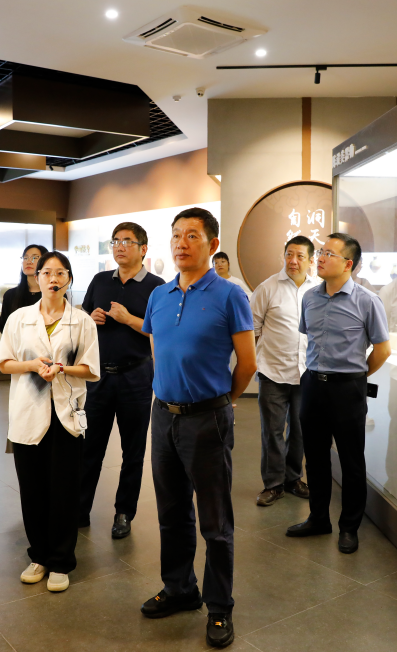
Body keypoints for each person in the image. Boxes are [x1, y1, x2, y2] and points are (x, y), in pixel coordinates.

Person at [139, 207, 256, 649]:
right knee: (171, 512)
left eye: (192, 235)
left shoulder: (229, 295)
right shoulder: (159, 295)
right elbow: (158, 350)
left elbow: (247, 363)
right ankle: (179, 589)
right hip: (162, 415)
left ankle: (219, 606)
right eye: (176, 235)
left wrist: (222, 401)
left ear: (212, 243)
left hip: (208, 418)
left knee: (215, 520)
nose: (181, 243)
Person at [0, 251, 100, 593]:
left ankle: (61, 560)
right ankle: (38, 555)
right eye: (47, 273)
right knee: (33, 489)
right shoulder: (19, 318)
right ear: (36, 277)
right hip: (28, 412)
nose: (53, 279)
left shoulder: (81, 321)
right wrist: (32, 365)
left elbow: (91, 370)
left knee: (65, 491)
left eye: (60, 273)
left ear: (69, 279)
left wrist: (61, 369)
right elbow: (4, 363)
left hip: (66, 414)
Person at [287, 233, 391, 556]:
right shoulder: (310, 298)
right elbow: (309, 338)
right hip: (313, 384)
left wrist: (356, 377)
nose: (320, 258)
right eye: (320, 251)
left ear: (348, 264)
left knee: (350, 460)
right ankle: (318, 518)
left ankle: (349, 527)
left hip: (348, 388)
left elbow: (382, 350)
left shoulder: (367, 301)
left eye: (328, 254)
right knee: (315, 456)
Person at [79, 222, 165, 538]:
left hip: (136, 376)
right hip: (99, 376)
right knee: (89, 447)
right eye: (115, 241)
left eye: (127, 241)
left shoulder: (157, 286)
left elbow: (161, 330)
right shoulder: (100, 280)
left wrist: (128, 319)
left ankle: (124, 513)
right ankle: (79, 509)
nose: (120, 246)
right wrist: (90, 319)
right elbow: (82, 318)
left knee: (133, 450)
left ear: (143, 248)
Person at [249, 235, 318, 506]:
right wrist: (256, 363)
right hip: (273, 372)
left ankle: (293, 479)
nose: (293, 260)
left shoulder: (319, 289)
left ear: (311, 260)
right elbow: (252, 330)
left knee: (300, 431)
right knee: (273, 431)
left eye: (300, 256)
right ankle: (273, 484)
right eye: (289, 254)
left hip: (306, 373)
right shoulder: (267, 288)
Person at [0, 244, 49, 333]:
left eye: (34, 258)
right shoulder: (10, 295)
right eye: (25, 258)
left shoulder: (54, 294)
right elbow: (4, 326)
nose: (28, 262)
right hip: (16, 341)